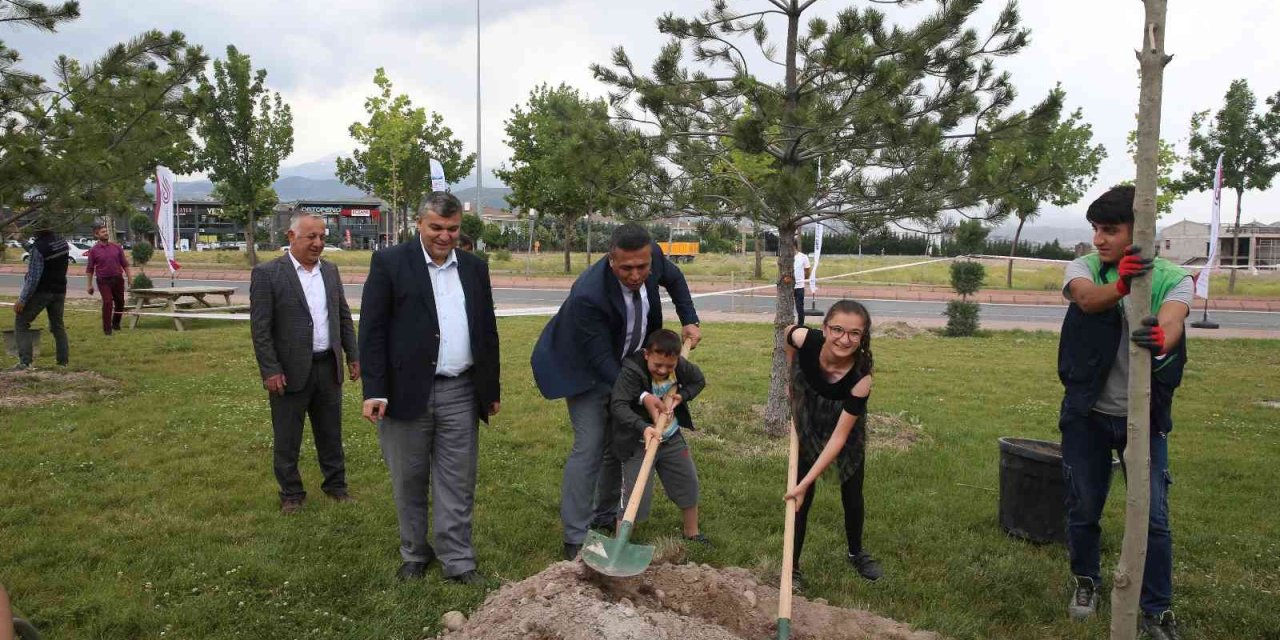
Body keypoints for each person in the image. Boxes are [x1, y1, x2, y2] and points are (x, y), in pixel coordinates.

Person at [1057, 185, 1191, 640]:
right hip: (1087, 415)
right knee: (1084, 505)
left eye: (1110, 230)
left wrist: (1160, 338)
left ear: (1141, 230)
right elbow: (1086, 299)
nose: (1099, 239)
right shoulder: (1086, 268)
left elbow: (1173, 320)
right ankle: (1085, 581)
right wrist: (1120, 285)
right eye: (1095, 229)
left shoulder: (1174, 277)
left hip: (1145, 417)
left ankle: (1155, 609)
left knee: (1153, 516)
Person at [531, 223, 701, 561]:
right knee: (591, 444)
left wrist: (689, 318)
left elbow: (676, 279)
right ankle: (576, 538)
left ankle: (605, 515)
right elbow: (602, 362)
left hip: (627, 360)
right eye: (627, 268)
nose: (636, 274)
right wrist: (641, 396)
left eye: (642, 267)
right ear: (611, 260)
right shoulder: (589, 295)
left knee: (616, 441)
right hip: (584, 369)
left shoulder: (650, 257)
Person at [359, 191, 500, 585]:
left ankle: (458, 561)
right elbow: (371, 332)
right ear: (419, 224)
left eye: (452, 228)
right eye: (436, 227)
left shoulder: (475, 268)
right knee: (409, 477)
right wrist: (374, 390)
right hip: (404, 392)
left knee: (458, 479)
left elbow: (487, 331)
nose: (444, 236)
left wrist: (491, 389)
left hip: (461, 390)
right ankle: (415, 554)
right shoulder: (390, 263)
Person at [249, 213, 360, 514]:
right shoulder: (268, 274)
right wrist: (270, 370)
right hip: (289, 371)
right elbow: (260, 329)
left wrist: (353, 355)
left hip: (327, 366)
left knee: (331, 433)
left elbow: (342, 316)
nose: (318, 243)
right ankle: (291, 493)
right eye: (311, 237)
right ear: (291, 237)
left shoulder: (331, 271)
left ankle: (336, 486)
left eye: (323, 237)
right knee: (287, 436)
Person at [782, 300, 882, 590]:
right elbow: (788, 333)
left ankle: (856, 553)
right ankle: (793, 566)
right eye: (837, 329)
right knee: (801, 495)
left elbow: (839, 439)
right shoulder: (806, 339)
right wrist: (792, 379)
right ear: (824, 329)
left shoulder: (861, 377)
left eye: (854, 333)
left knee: (852, 491)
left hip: (844, 428)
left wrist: (808, 479)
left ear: (862, 337)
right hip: (809, 417)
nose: (844, 339)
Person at [609, 328, 709, 544]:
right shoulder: (632, 371)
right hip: (637, 442)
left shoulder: (679, 365)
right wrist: (643, 427)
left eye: (669, 366)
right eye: (657, 365)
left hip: (671, 437)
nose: (663, 370)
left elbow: (699, 380)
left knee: (687, 483)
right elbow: (618, 405)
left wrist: (683, 396)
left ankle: (692, 533)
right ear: (647, 354)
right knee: (635, 496)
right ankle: (621, 543)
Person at [11, 226, 69, 371]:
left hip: (42, 291)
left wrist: (22, 300)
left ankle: (25, 363)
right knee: (57, 326)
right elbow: (40, 253)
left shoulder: (39, 247)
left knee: (21, 322)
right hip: (60, 290)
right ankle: (63, 362)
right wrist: (22, 240)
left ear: (36, 230)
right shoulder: (62, 242)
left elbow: (33, 278)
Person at [85, 223, 131, 336]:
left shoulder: (116, 247)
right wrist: (89, 285)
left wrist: (130, 278)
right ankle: (107, 329)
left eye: (106, 231)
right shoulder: (93, 250)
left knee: (120, 302)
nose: (106, 233)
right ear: (97, 235)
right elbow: (90, 269)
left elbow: (125, 264)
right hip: (103, 280)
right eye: (103, 232)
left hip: (118, 279)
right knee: (107, 302)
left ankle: (116, 323)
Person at [793, 239, 811, 325]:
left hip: (799, 286)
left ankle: (800, 324)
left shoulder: (803, 257)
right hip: (788, 287)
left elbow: (807, 270)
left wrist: (805, 279)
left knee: (799, 307)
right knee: (787, 306)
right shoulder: (785, 257)